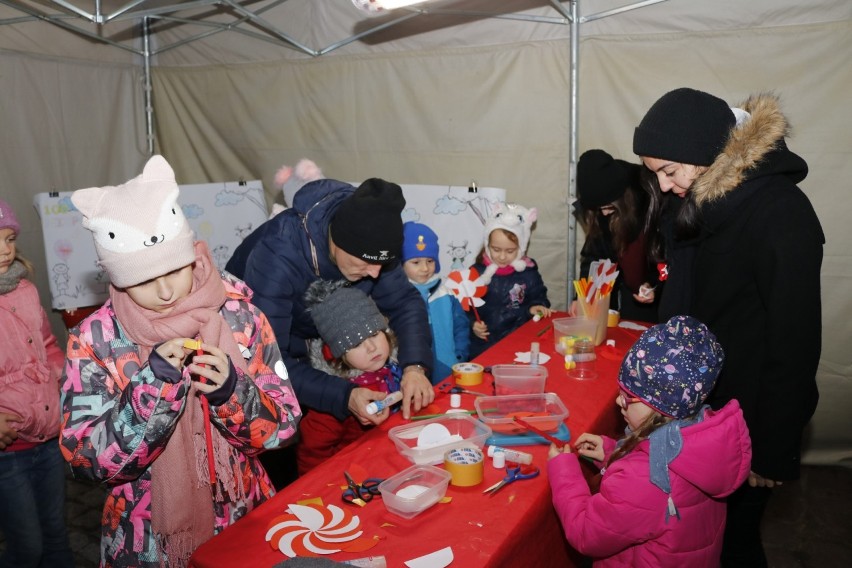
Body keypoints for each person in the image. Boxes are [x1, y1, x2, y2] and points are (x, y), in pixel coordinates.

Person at [60, 155, 302, 567]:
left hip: (244, 515)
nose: (167, 291)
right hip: (146, 537)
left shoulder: (239, 315)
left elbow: (285, 430)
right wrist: (152, 388)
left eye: (175, 269)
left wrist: (232, 391)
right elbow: (84, 460)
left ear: (190, 253)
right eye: (142, 280)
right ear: (116, 277)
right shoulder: (95, 340)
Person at [633, 87, 824, 566]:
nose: (665, 186)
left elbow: (794, 341)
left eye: (669, 172)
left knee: (736, 544)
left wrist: (772, 449)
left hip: (749, 420)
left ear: (702, 155)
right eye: (654, 175)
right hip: (701, 411)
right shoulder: (698, 201)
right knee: (700, 538)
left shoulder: (781, 213)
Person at [225, 177, 434, 443]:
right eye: (366, 263)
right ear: (338, 241)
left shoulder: (373, 249)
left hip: (317, 336)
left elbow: (405, 302)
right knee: (292, 443)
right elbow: (266, 358)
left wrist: (415, 367)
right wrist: (344, 396)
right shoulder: (276, 256)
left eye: (383, 265)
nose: (375, 274)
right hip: (254, 344)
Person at [548, 315, 752, 567]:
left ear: (661, 406)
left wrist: (564, 470)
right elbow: (660, 463)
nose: (617, 402)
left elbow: (586, 533)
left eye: (629, 396)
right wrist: (616, 450)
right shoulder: (702, 434)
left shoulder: (644, 479)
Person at [0, 199, 74, 568]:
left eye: (9, 237)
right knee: (27, 546)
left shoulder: (25, 290)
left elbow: (47, 345)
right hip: (8, 448)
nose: (5, 249)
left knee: (57, 535)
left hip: (48, 436)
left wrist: (62, 385)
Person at [297, 280, 403, 474]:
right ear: (337, 355)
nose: (372, 347)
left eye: (374, 334)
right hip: (354, 478)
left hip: (392, 461)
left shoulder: (395, 370)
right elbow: (312, 456)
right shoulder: (332, 400)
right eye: (356, 343)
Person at [576, 149, 657, 322]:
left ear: (622, 200)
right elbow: (594, 254)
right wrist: (582, 298)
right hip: (620, 281)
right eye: (599, 209)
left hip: (647, 281)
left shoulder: (648, 195)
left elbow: (662, 253)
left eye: (609, 208)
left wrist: (653, 285)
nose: (604, 214)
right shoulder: (597, 204)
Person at [468, 202, 552, 358]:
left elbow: (540, 298)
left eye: (510, 251)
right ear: (487, 245)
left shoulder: (528, 272)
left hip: (519, 344)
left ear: (521, 248)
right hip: (483, 346)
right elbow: (462, 309)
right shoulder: (476, 273)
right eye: (496, 249)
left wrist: (535, 307)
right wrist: (472, 324)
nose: (501, 256)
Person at [401, 221, 469, 383]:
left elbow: (461, 326)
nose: (425, 268)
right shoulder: (398, 296)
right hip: (411, 371)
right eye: (416, 262)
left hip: (447, 366)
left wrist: (459, 354)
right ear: (401, 264)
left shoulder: (445, 292)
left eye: (430, 261)